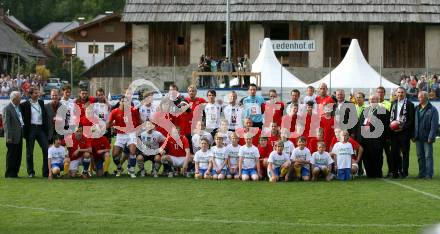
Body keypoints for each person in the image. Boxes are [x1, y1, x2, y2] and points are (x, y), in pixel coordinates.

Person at [107, 95, 141, 178]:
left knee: (132, 152)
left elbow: (139, 120)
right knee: (115, 154)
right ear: (119, 102)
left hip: (131, 133)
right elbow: (109, 123)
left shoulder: (133, 110)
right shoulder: (114, 112)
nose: (124, 103)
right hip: (120, 135)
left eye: (126, 101)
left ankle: (131, 170)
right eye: (122, 101)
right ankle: (119, 167)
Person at [357, 95, 390, 178]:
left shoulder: (382, 110)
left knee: (377, 156)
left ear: (378, 100)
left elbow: (386, 125)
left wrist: (386, 137)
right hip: (366, 139)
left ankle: (378, 173)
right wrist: (360, 138)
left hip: (377, 138)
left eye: (375, 99)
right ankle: (369, 173)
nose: (373, 101)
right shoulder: (365, 110)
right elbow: (361, 124)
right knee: (367, 156)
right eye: (371, 99)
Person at [20, 86, 49, 178]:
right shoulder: (24, 105)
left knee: (46, 149)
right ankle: (31, 172)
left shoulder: (41, 102)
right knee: (30, 152)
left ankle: (45, 172)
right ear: (30, 94)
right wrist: (25, 132)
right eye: (36, 93)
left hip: (40, 129)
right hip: (31, 129)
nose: (38, 94)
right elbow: (22, 119)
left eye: (38, 93)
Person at [389, 87, 414, 179]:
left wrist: (402, 127)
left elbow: (411, 120)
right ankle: (395, 171)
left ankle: (404, 172)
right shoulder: (393, 104)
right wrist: (392, 126)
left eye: (402, 92)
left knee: (405, 153)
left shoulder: (410, 104)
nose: (400, 94)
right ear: (396, 93)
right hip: (394, 133)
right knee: (394, 153)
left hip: (404, 133)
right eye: (398, 92)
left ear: (405, 93)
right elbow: (391, 118)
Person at [414, 91, 439, 180]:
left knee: (428, 156)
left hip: (427, 137)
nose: (418, 99)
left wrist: (431, 137)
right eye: (418, 97)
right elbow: (414, 123)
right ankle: (421, 173)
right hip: (417, 137)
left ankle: (429, 174)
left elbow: (434, 125)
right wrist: (413, 135)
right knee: (420, 156)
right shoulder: (416, 108)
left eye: (420, 97)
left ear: (425, 98)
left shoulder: (433, 110)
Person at [3, 91, 24, 178]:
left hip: (19, 135)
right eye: (19, 98)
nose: (21, 99)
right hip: (11, 137)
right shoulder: (7, 108)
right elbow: (6, 124)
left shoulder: (18, 107)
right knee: (11, 155)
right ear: (14, 99)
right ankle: (9, 173)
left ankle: (15, 172)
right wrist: (8, 137)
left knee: (18, 155)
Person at [376, 86, 392, 177]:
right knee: (378, 154)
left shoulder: (388, 104)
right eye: (378, 92)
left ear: (384, 94)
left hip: (386, 134)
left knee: (388, 153)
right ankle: (379, 171)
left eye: (381, 92)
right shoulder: (372, 104)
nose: (380, 94)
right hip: (376, 135)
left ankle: (391, 170)